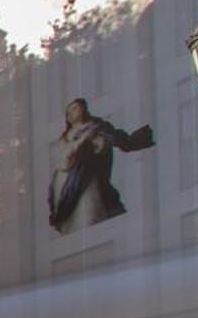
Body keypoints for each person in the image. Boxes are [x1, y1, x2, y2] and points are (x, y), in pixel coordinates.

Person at [48, 97, 153, 233]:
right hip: (68, 186)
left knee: (93, 215)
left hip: (90, 180)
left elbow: (107, 142)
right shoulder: (64, 137)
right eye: (72, 109)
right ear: (68, 118)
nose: (77, 110)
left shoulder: (98, 126)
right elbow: (63, 160)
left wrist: (99, 142)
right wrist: (83, 141)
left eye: (78, 107)